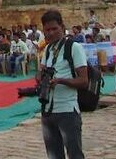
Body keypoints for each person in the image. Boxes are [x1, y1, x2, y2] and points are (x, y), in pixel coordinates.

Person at [38, 9, 88, 159]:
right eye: (48, 30)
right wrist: (40, 77)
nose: (51, 33)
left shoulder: (74, 48)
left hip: (67, 110)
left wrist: (60, 81)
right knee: (53, 155)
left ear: (62, 27)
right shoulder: (47, 49)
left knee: (74, 154)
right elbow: (41, 74)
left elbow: (84, 80)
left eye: (55, 29)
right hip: (47, 110)